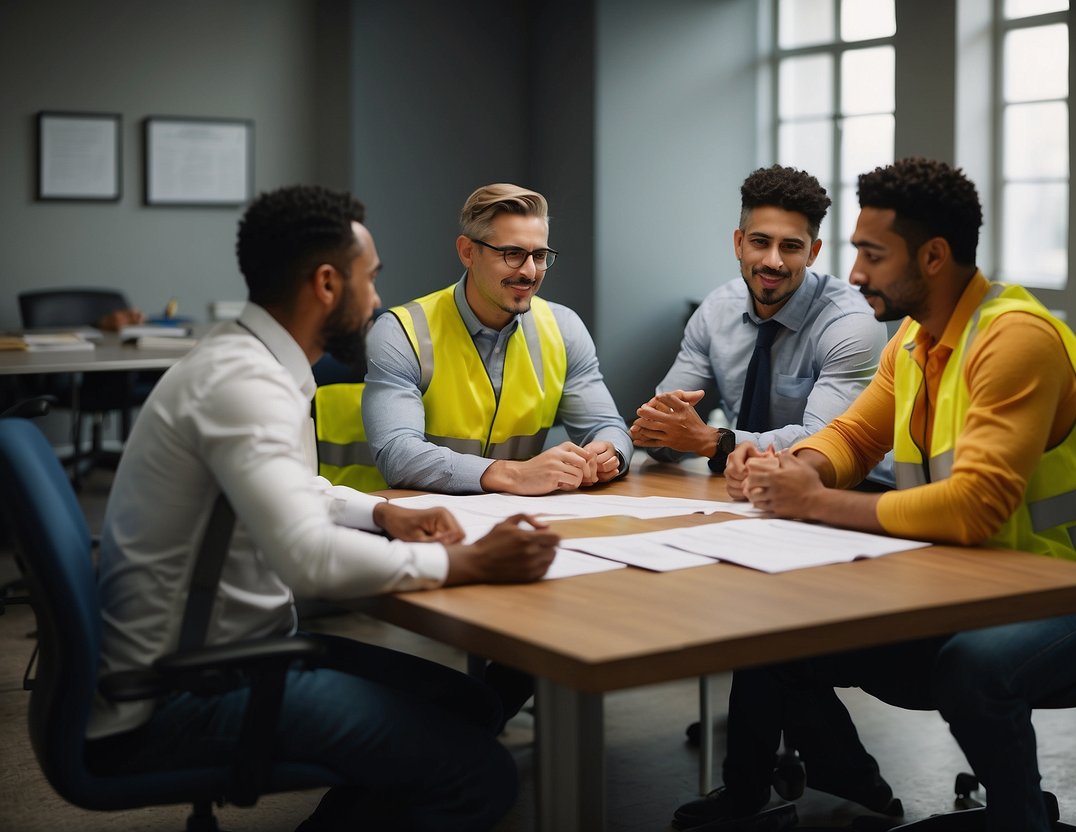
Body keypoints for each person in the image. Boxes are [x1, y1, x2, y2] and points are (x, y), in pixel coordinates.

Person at [86, 185, 560, 832]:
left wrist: (379, 515)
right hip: (181, 694)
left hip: (233, 655)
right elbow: (308, 561)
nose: (377, 301)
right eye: (372, 280)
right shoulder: (243, 385)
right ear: (328, 284)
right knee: (478, 775)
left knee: (468, 703)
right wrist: (467, 562)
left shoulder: (249, 363)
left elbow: (291, 486)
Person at [674, 158, 1076, 832]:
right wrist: (792, 468)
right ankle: (747, 797)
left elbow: (975, 507)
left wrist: (814, 501)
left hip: (1066, 596)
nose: (854, 273)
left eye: (871, 254)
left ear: (934, 256)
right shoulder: (916, 338)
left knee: (975, 668)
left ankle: (1017, 819)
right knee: (773, 635)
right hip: (958, 582)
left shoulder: (1014, 339)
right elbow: (854, 437)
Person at [362, 182, 633, 497]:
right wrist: (515, 475)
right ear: (468, 252)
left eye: (540, 255)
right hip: (410, 520)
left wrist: (608, 453)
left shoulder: (564, 328)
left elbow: (608, 426)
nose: (530, 272)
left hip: (519, 520)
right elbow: (398, 455)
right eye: (513, 254)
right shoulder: (401, 332)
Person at [629, 164, 889, 478]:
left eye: (791, 246)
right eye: (760, 242)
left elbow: (825, 446)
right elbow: (657, 435)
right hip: (743, 491)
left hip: (851, 493)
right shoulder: (715, 312)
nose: (772, 261)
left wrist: (713, 441)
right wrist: (666, 430)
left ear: (813, 252)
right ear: (739, 243)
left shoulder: (851, 324)